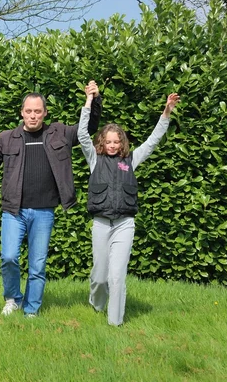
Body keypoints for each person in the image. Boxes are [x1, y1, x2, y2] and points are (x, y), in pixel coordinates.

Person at [0, 83, 102, 317]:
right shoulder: (6, 138)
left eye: (38, 111)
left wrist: (94, 99)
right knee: (9, 257)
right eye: (29, 111)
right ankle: (13, 299)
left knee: (38, 266)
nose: (33, 115)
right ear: (22, 112)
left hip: (44, 212)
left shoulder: (59, 132)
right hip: (13, 210)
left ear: (45, 113)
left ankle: (32, 309)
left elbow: (88, 128)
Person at [78, 87, 180, 326]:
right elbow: (82, 135)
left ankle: (115, 324)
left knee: (117, 277)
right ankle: (96, 303)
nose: (113, 145)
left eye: (117, 141)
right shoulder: (94, 159)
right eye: (108, 141)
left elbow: (153, 141)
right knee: (100, 277)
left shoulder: (131, 160)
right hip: (101, 225)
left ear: (122, 142)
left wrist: (166, 112)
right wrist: (88, 101)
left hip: (125, 225)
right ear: (102, 142)